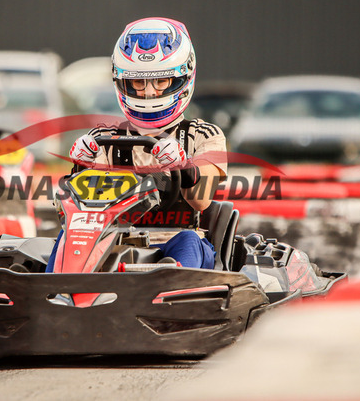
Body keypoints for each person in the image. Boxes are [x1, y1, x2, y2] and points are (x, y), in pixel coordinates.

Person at [49, 17, 227, 270]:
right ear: (123, 82)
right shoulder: (104, 138)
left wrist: (183, 165)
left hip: (175, 240)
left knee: (189, 241)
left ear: (182, 79)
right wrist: (82, 167)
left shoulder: (203, 134)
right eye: (138, 82)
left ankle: (172, 286)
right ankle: (55, 285)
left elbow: (202, 200)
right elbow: (81, 208)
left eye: (161, 81)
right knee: (68, 236)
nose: (149, 92)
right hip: (115, 241)